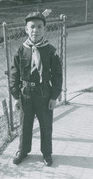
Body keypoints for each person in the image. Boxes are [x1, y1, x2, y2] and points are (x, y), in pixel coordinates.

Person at [10, 11, 62, 166]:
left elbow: (57, 75)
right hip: (26, 93)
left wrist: (54, 96)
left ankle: (46, 153)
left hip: (44, 92)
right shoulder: (21, 50)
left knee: (46, 124)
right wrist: (16, 97)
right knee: (25, 124)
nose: (36, 30)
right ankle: (23, 150)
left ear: (44, 29)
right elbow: (14, 74)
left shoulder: (51, 51)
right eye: (32, 27)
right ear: (26, 29)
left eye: (40, 26)